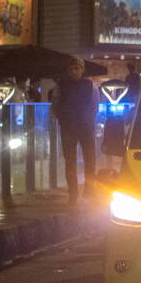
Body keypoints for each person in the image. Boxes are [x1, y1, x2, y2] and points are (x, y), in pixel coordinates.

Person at [53, 58, 98, 205]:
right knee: (72, 162)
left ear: (82, 69)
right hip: (72, 127)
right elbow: (56, 104)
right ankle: (74, 193)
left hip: (82, 127)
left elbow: (94, 106)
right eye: (72, 69)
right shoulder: (62, 85)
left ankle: (88, 191)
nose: (74, 71)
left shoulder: (90, 85)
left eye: (77, 68)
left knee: (88, 161)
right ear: (68, 70)